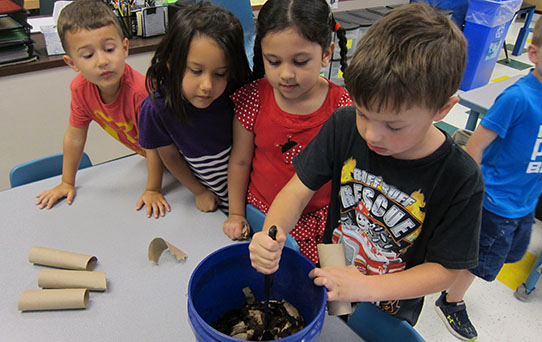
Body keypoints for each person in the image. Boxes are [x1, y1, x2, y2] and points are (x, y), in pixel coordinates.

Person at [249, 2, 484, 327]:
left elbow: (446, 269)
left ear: (442, 109)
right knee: (331, 328)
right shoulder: (344, 124)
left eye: (394, 126)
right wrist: (270, 235)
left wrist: (365, 285)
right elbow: (297, 190)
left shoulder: (460, 177)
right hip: (333, 267)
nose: (372, 134)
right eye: (363, 112)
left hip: (388, 298)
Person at [435, 17, 542, 341]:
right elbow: (475, 146)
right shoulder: (519, 98)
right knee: (477, 262)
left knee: (507, 255)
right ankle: (450, 301)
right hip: (496, 201)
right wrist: (471, 197)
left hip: (525, 201)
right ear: (534, 53)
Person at [222, 0, 351, 263]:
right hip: (261, 213)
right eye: (274, 61)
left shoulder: (342, 108)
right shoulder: (254, 99)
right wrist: (235, 214)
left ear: (327, 53)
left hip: (320, 221)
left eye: (300, 62)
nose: (286, 74)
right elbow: (240, 160)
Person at [138, 2, 252, 215]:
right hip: (215, 209)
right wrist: (198, 191)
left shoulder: (239, 95)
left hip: (252, 203)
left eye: (220, 74)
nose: (207, 86)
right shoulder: (157, 109)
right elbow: (169, 156)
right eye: (196, 70)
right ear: (172, 63)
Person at [35, 0, 148, 209]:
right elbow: (75, 136)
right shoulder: (81, 89)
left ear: (124, 48)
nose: (102, 61)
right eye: (88, 55)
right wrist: (67, 182)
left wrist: (153, 189)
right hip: (158, 160)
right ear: (72, 63)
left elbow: (162, 147)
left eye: (109, 49)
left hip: (187, 158)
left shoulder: (141, 93)